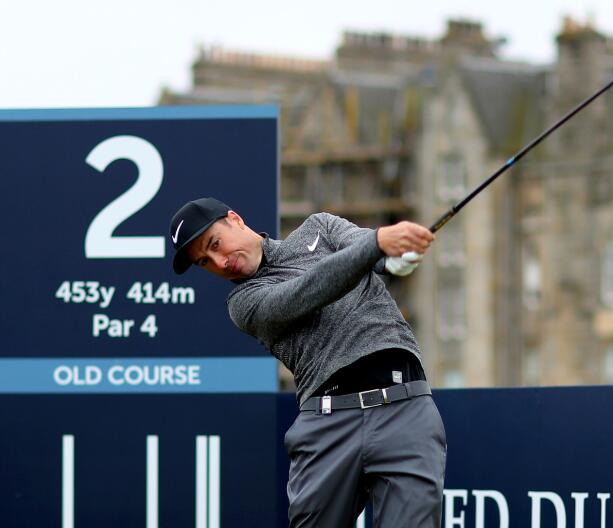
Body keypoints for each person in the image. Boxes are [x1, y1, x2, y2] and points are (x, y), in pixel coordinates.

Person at [169, 197, 446, 528]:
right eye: (204, 261)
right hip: (329, 424)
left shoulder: (321, 227)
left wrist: (394, 256)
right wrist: (376, 245)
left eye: (215, 243)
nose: (219, 261)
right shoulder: (243, 304)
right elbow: (308, 291)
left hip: (404, 407)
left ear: (235, 219)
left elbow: (372, 253)